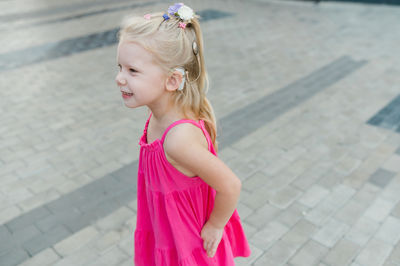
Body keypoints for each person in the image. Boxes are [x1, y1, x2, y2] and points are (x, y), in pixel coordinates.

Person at [115, 3, 251, 265]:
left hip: (187, 245)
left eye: (132, 70)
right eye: (119, 67)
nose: (120, 78)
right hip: (166, 233)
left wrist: (215, 226)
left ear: (173, 81)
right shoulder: (157, 117)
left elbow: (231, 185)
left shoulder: (178, 140)